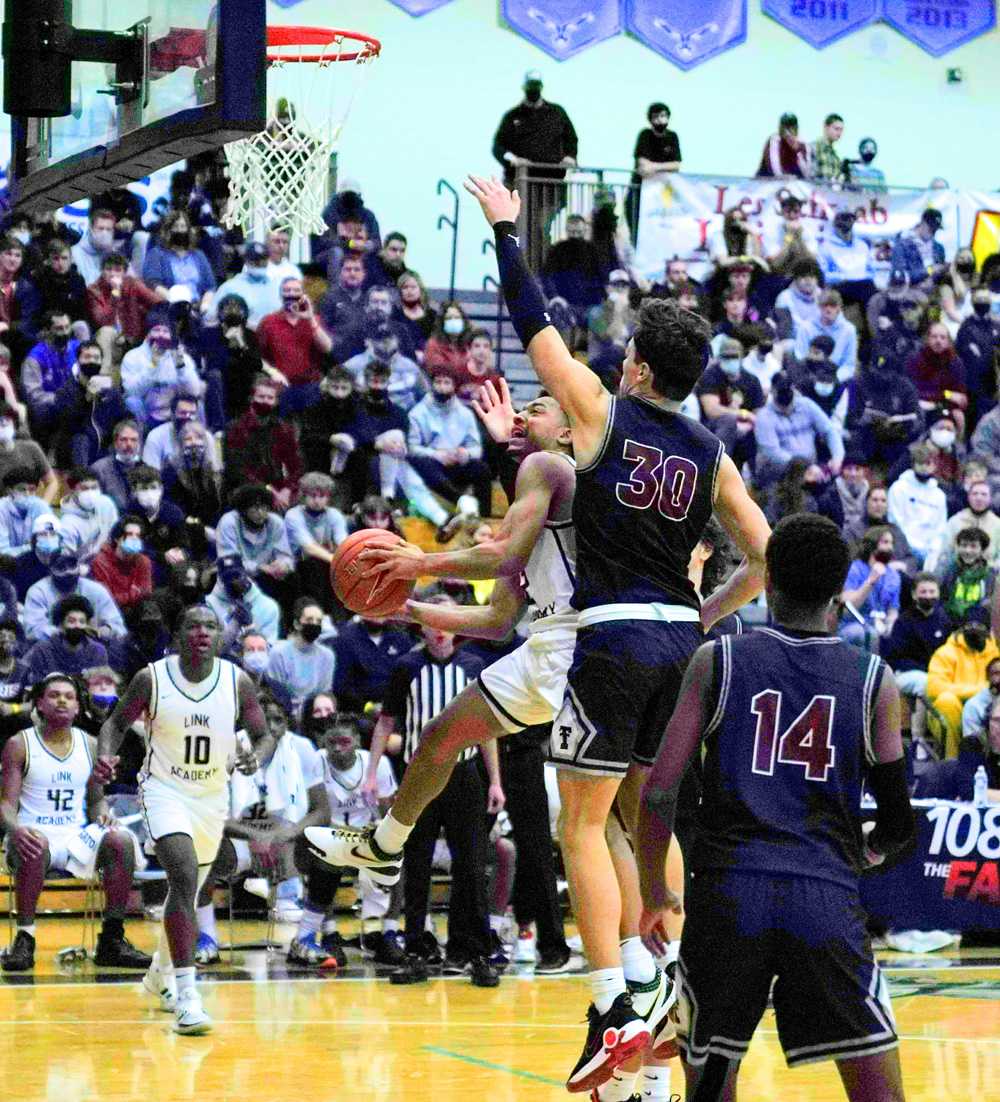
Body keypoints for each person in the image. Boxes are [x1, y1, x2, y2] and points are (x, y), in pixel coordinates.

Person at [460, 175, 771, 1092]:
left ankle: (612, 1005)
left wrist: (508, 231)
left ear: (636, 367)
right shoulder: (712, 454)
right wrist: (705, 614)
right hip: (686, 646)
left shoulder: (600, 411)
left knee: (582, 823)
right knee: (647, 821)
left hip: (613, 637)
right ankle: (665, 978)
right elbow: (760, 555)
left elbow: (535, 329)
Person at [635, 513, 914, 1102]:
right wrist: (862, 856)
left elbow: (658, 793)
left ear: (769, 582)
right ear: (840, 591)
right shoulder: (875, 681)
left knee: (712, 1080)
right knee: (878, 1088)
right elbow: (897, 822)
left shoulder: (718, 660)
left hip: (727, 897)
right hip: (824, 895)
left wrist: (655, 892)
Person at [307, 382, 579, 975]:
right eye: (523, 408)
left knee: (594, 825)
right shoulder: (533, 485)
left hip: (588, 645)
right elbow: (496, 617)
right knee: (438, 736)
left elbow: (501, 556)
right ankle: (384, 847)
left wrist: (420, 562)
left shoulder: (552, 466)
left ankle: (631, 967)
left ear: (568, 431)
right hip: (548, 643)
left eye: (539, 408)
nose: (523, 414)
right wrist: (405, 610)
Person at [94, 605, 271, 1035]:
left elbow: (263, 734)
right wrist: (105, 755)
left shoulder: (237, 680)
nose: (202, 632)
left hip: (211, 796)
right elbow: (114, 724)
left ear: (219, 636)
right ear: (178, 634)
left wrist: (254, 757)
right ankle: (187, 996)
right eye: (193, 625)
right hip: (163, 790)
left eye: (210, 626)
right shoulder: (152, 677)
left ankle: (158, 973)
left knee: (187, 893)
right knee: (185, 874)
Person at [1, 673, 152, 973]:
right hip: (30, 832)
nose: (61, 700)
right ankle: (25, 937)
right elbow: (5, 804)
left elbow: (95, 801)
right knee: (35, 842)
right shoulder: (19, 744)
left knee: (120, 839)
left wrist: (104, 815)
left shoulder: (92, 745)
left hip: (74, 836)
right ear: (40, 705)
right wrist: (15, 828)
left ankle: (112, 938)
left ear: (77, 708)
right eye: (54, 695)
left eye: (69, 697)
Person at [194, 693, 329, 964]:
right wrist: (256, 833)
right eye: (265, 721)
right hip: (238, 839)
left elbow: (321, 811)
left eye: (279, 720)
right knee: (199, 845)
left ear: (288, 723)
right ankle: (207, 938)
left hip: (288, 838)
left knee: (330, 848)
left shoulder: (302, 749)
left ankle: (304, 937)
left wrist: (287, 833)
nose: (272, 727)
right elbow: (208, 814)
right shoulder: (226, 748)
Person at [289, 712, 403, 968]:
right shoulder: (316, 761)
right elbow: (312, 813)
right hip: (329, 838)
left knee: (397, 851)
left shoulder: (379, 764)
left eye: (344, 742)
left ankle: (389, 933)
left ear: (357, 741)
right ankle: (329, 934)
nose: (338, 749)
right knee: (326, 853)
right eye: (332, 743)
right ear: (323, 743)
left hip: (368, 837)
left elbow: (389, 814)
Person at [491, 70, 578, 268]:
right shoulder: (513, 116)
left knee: (541, 227)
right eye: (530, 86)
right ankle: (520, 271)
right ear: (525, 88)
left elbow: (571, 139)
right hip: (519, 184)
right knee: (519, 230)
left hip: (550, 185)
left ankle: (540, 270)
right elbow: (498, 147)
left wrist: (570, 157)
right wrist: (512, 159)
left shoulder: (557, 113)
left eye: (536, 86)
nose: (533, 90)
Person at [927, 605, 999, 758]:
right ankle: (953, 759)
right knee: (947, 701)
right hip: (951, 711)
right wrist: (975, 691)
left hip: (988, 704)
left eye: (979, 627)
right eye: (969, 626)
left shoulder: (995, 653)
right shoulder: (945, 653)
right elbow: (934, 687)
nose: (974, 631)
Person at [223, 374, 304, 510]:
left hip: (280, 489)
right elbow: (237, 470)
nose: (265, 401)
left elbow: (297, 464)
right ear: (251, 399)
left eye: (270, 398)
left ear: (276, 401)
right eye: (261, 397)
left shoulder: (283, 428)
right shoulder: (236, 428)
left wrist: (288, 489)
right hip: (247, 490)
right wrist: (269, 491)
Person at [753, 373, 844, 487]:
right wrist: (805, 468)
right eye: (781, 390)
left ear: (793, 389)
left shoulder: (806, 405)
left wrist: (837, 457)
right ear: (772, 390)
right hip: (779, 473)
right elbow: (773, 453)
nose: (785, 394)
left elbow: (829, 430)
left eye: (788, 389)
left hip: (812, 468)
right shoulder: (764, 416)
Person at [263, 598, 335, 719]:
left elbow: (324, 693)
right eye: (309, 620)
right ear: (297, 624)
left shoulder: (327, 656)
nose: (314, 624)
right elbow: (276, 692)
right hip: (285, 713)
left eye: (318, 621)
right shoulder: (278, 652)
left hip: (315, 715)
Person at [887, 443, 948, 568]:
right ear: (913, 465)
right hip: (903, 548)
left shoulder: (939, 495)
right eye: (920, 463)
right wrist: (913, 546)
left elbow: (940, 528)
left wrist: (933, 551)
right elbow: (895, 520)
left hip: (930, 551)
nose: (924, 468)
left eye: (928, 464)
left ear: (934, 466)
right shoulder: (899, 488)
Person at [839, 526, 901, 647]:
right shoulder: (855, 569)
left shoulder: (894, 576)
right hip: (853, 625)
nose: (890, 547)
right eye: (885, 542)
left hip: (881, 625)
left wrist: (890, 626)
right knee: (868, 634)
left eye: (891, 543)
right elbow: (848, 608)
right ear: (872, 545)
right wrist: (870, 582)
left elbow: (893, 610)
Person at [627, 103, 682, 236]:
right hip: (640, 189)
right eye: (656, 116)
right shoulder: (645, 135)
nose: (660, 120)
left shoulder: (672, 137)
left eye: (663, 116)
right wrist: (662, 167)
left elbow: (676, 165)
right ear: (650, 119)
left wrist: (655, 167)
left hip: (663, 191)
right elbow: (642, 165)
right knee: (636, 226)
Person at [756, 112, 809, 178]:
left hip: (793, 183)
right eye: (786, 128)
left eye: (792, 128)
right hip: (768, 181)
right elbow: (775, 168)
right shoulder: (774, 140)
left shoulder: (803, 145)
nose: (788, 132)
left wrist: (798, 151)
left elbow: (807, 174)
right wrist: (784, 177)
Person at [811, 113, 845, 182]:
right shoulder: (814, 148)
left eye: (841, 130)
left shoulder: (836, 157)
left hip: (832, 191)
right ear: (826, 128)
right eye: (836, 129)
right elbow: (810, 174)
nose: (839, 133)